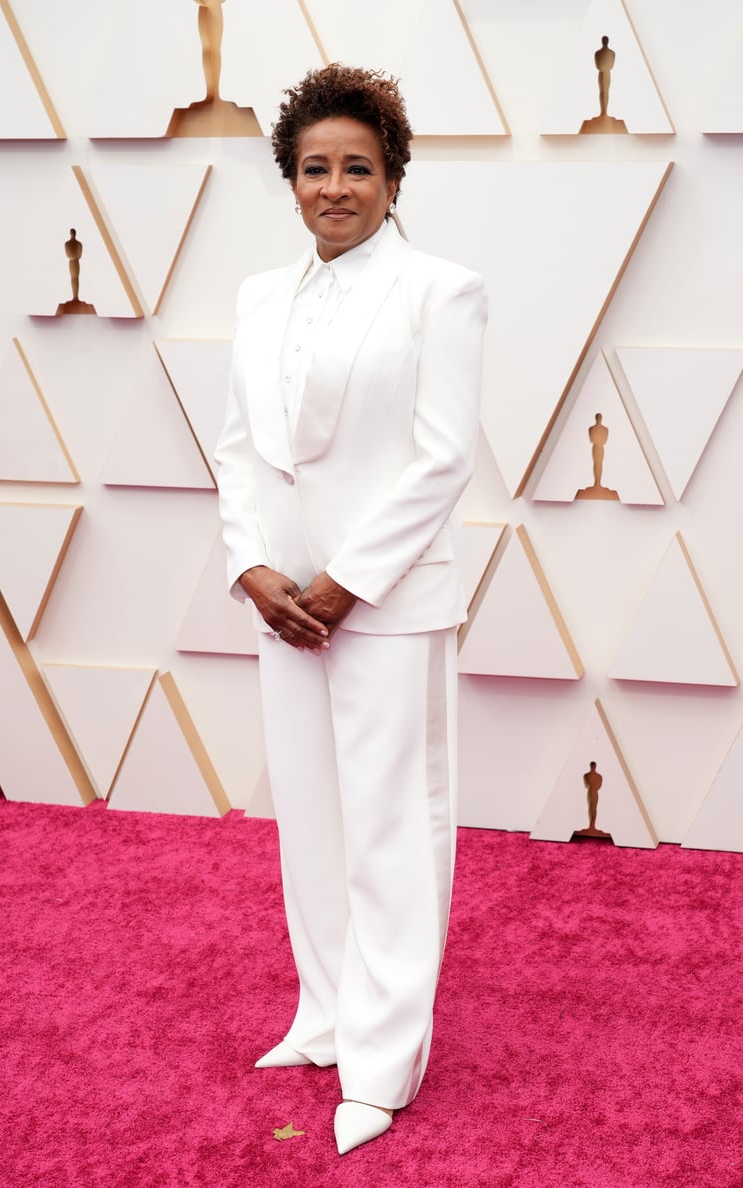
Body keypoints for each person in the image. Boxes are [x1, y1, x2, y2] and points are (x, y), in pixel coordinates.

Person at [213, 63, 488, 1156]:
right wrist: (254, 570)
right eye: (316, 167)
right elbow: (238, 450)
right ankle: (324, 1016)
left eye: (358, 168)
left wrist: (344, 581)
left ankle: (383, 1060)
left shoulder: (442, 290)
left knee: (387, 830)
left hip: (384, 600)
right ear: (290, 179)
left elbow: (442, 457)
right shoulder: (255, 296)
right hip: (281, 601)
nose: (336, 186)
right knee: (313, 824)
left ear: (392, 177)